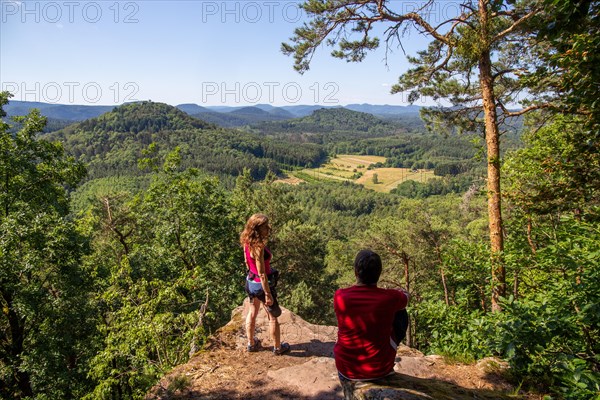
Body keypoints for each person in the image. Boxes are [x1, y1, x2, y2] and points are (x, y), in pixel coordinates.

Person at [334, 249, 409, 399]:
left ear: (356, 272)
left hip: (346, 369)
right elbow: (407, 298)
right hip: (380, 369)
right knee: (401, 312)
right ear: (379, 273)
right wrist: (398, 293)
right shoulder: (389, 298)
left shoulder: (340, 296)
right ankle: (390, 347)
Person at [240, 213, 290, 355]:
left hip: (250, 281)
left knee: (252, 312)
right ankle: (278, 348)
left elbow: (246, 261)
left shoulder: (246, 241)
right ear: (257, 229)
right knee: (272, 316)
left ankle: (251, 344)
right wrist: (267, 293)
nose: (268, 228)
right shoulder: (259, 247)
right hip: (261, 285)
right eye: (265, 226)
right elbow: (262, 273)